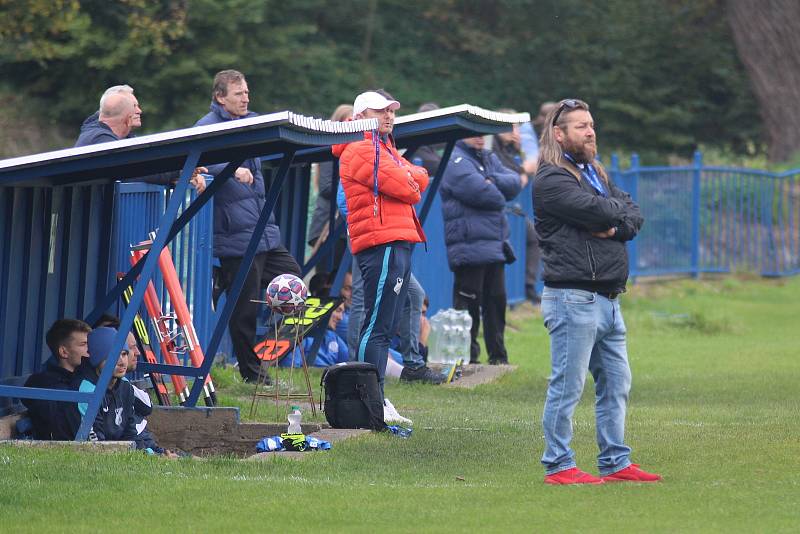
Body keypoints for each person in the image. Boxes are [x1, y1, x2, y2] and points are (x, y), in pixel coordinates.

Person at [534, 98, 660, 484]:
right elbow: (606, 212)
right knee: (567, 387)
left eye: (591, 125)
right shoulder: (552, 179)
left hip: (607, 300)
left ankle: (616, 462)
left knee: (617, 384)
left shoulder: (594, 174)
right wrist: (610, 215)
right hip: (573, 299)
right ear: (559, 134)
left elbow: (631, 215)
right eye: (580, 126)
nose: (590, 132)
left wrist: (613, 221)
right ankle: (558, 465)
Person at [195, 69, 302, 383]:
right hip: (235, 236)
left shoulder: (251, 121)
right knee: (244, 312)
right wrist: (232, 169)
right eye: (239, 93)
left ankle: (224, 284)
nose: (246, 98)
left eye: (247, 93)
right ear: (220, 97)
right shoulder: (207, 126)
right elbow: (197, 157)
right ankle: (252, 372)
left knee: (294, 280)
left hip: (262, 231)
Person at [331, 89, 429, 399]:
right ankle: (367, 398)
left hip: (395, 239)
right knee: (376, 327)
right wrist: (407, 176)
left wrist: (407, 175)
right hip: (380, 241)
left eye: (391, 111)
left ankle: (376, 397)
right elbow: (409, 187)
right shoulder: (361, 148)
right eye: (379, 111)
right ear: (360, 117)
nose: (388, 116)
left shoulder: (383, 148)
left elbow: (420, 177)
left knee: (384, 327)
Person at [440, 135, 522, 365]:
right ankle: (467, 359)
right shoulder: (454, 160)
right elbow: (484, 194)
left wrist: (490, 178)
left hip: (495, 245)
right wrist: (493, 186)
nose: (479, 137)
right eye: (472, 132)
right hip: (469, 246)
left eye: (481, 133)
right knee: (469, 306)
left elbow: (515, 183)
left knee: (497, 302)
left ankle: (499, 358)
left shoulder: (489, 158)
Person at [74, 85, 206, 192]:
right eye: (134, 106)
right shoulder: (100, 139)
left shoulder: (122, 138)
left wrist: (182, 173)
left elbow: (146, 165)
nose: (139, 111)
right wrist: (179, 171)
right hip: (92, 222)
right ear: (124, 113)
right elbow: (136, 170)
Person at [67, 327, 166, 452]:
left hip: (118, 453)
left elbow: (131, 434)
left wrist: (153, 455)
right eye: (112, 356)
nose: (121, 362)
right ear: (97, 359)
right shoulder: (86, 391)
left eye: (124, 354)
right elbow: (95, 446)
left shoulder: (125, 387)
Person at [492, 109, 541, 304]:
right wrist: (524, 171)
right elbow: (510, 174)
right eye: (514, 128)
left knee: (533, 236)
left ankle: (526, 287)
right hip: (498, 211)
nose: (518, 133)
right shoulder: (492, 147)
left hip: (509, 210)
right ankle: (517, 291)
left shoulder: (507, 148)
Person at [22, 319, 92, 440]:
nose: (90, 349)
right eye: (83, 344)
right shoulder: (46, 383)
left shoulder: (87, 377)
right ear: (64, 352)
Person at [307, 105, 353, 272]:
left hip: (340, 227)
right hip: (327, 226)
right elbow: (326, 187)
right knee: (326, 282)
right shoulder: (330, 149)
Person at [280, 303, 349, 368]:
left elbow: (348, 364)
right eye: (338, 311)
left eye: (342, 312)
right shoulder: (301, 336)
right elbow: (290, 368)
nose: (340, 318)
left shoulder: (334, 337)